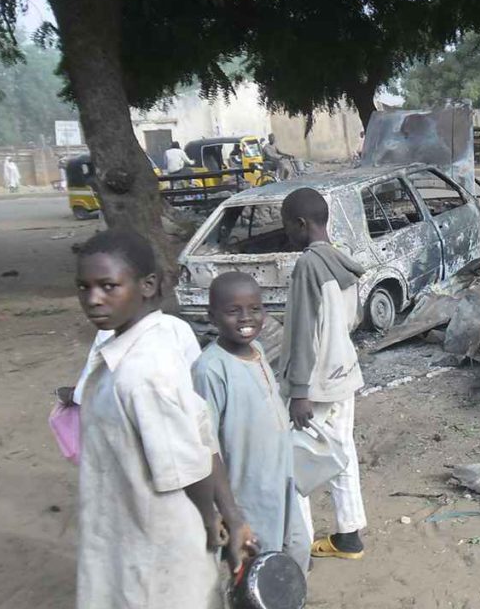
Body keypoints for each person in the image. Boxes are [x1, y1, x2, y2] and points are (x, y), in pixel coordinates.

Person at [73, 228, 257, 607]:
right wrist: (231, 515)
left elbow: (190, 464)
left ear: (147, 285)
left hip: (156, 546)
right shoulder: (156, 338)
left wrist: (213, 519)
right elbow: (201, 435)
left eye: (108, 286)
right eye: (84, 287)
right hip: (138, 530)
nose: (93, 299)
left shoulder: (142, 373)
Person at [192, 272, 312, 571]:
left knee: (298, 548)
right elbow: (205, 445)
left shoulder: (257, 351)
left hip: (281, 481)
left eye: (255, 309)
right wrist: (225, 511)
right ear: (212, 316)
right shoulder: (210, 369)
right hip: (247, 493)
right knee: (258, 567)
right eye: (233, 311)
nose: (246, 318)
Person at [278, 188, 368, 560]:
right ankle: (349, 536)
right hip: (343, 372)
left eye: (286, 225)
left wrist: (299, 391)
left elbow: (302, 332)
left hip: (314, 385)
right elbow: (352, 319)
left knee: (293, 460)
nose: (285, 233)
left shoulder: (307, 266)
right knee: (342, 454)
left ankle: (299, 545)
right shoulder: (341, 260)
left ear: (301, 224)